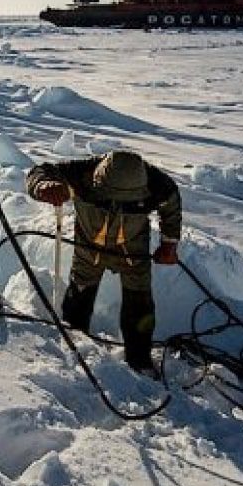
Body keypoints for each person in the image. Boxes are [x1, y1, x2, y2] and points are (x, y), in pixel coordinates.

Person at [26, 150, 181, 376]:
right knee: (78, 297)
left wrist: (169, 243)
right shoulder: (81, 172)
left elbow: (171, 202)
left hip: (133, 251)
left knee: (139, 304)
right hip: (89, 249)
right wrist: (43, 185)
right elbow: (39, 171)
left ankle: (140, 360)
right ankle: (73, 348)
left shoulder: (156, 181)